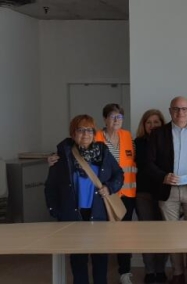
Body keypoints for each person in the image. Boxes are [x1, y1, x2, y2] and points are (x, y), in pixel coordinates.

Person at [44, 115, 124, 284]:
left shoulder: (103, 152)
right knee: (78, 259)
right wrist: (56, 212)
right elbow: (50, 187)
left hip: (99, 213)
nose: (85, 134)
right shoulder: (63, 156)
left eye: (89, 130)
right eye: (81, 130)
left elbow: (119, 174)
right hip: (74, 215)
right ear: (73, 134)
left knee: (100, 259)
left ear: (94, 133)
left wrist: (109, 187)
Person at [147, 97, 187, 284]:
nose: (180, 113)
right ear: (170, 110)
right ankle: (178, 273)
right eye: (176, 109)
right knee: (172, 236)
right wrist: (163, 176)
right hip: (168, 191)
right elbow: (148, 163)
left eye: (184, 109)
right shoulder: (158, 134)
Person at [94, 103, 137, 284]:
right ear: (104, 119)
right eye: (112, 117)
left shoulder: (126, 136)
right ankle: (99, 274)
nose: (116, 120)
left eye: (119, 117)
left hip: (126, 194)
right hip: (103, 194)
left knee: (124, 234)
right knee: (101, 233)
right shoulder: (94, 137)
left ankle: (125, 272)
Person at [134, 109, 168, 284]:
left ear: (162, 124)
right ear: (144, 125)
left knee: (164, 233)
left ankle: (161, 270)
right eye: (149, 122)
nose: (153, 125)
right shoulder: (137, 143)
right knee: (147, 233)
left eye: (156, 122)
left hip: (165, 194)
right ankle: (150, 271)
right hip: (144, 193)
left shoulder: (169, 141)